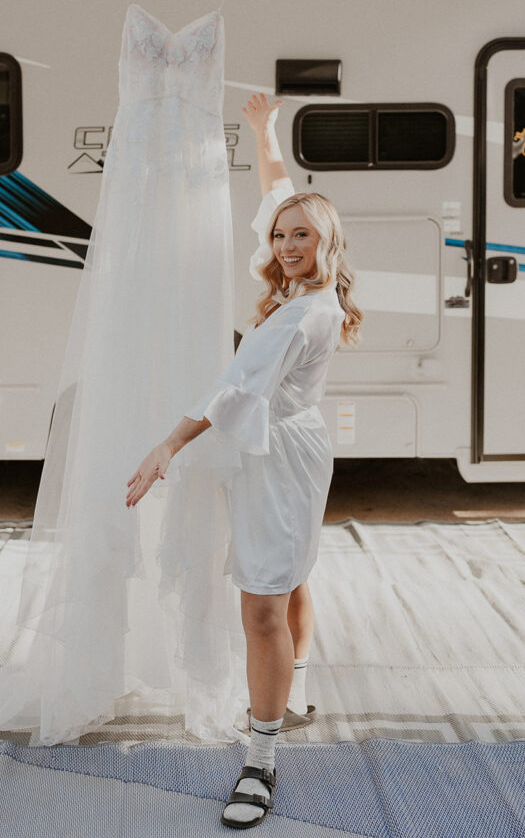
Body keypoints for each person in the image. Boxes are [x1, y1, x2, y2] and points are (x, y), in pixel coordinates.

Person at [125, 92, 362, 829]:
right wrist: (265, 132)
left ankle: (259, 762)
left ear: (329, 246)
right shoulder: (301, 283)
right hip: (296, 442)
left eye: (302, 238)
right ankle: (285, 700)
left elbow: (228, 394)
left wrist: (166, 445)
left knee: (261, 600)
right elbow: (278, 194)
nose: (287, 245)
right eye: (284, 236)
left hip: (276, 454)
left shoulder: (303, 315)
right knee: (288, 578)